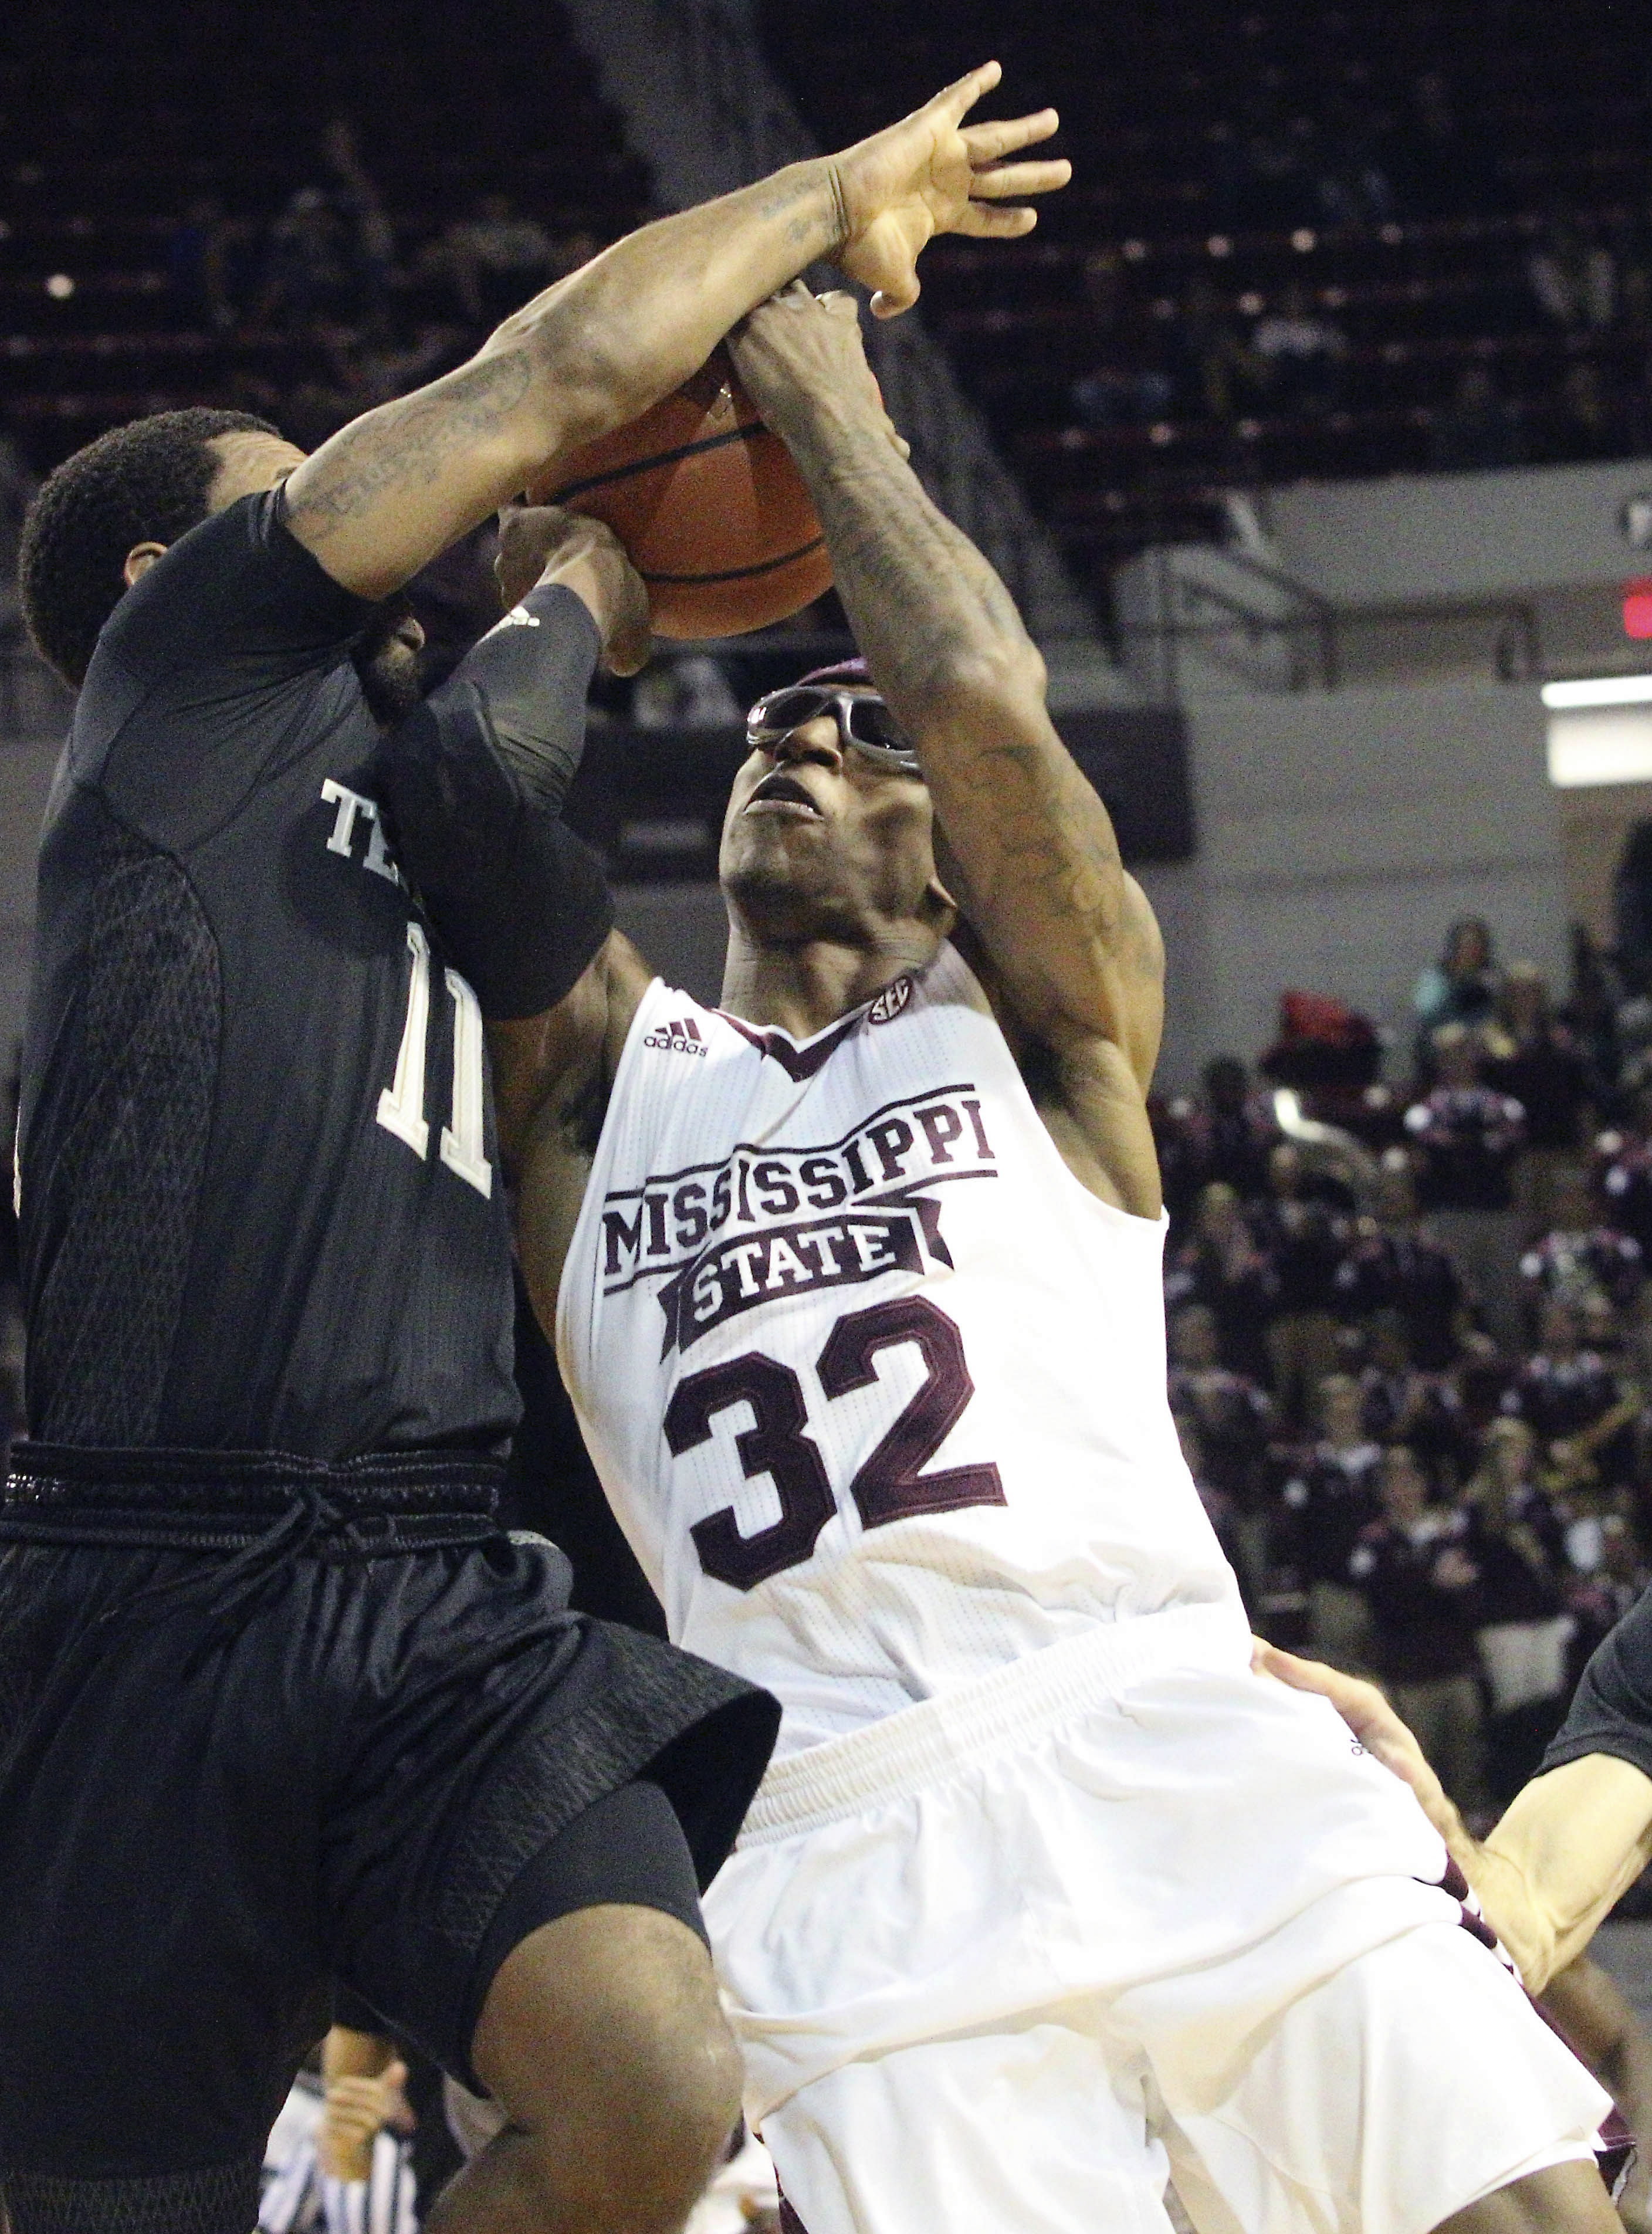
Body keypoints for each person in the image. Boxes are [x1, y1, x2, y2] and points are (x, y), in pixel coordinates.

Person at [0, 70, 1069, 2234]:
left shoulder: (409, 779)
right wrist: (815, 212)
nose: (388, 501)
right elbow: (561, 377)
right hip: (146, 1569)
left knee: (656, 2089)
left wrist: (579, 600)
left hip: (427, 1578)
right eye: (310, 487)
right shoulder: (191, 681)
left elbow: (493, 773)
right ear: (168, 566)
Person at [493, 286, 1618, 2234]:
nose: (803, 747)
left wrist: (834, 417)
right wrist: (564, 588)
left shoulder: (1041, 1027)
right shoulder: (602, 1087)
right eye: (777, 728)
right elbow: (471, 817)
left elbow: (989, 702)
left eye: (859, 741)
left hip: (1157, 1715)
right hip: (834, 1832)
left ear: (954, 863)